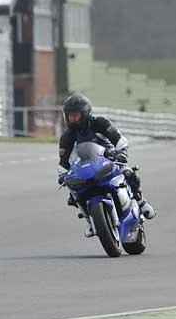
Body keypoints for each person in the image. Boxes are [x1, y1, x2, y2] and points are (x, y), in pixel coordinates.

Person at [58, 93, 155, 237]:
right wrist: (62, 174)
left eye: (76, 115)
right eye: (70, 115)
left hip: (109, 159)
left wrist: (121, 152)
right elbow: (63, 161)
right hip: (86, 166)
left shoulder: (100, 123)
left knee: (129, 174)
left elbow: (119, 139)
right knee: (73, 195)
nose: (72, 119)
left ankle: (141, 202)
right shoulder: (67, 136)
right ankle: (91, 222)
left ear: (85, 113)